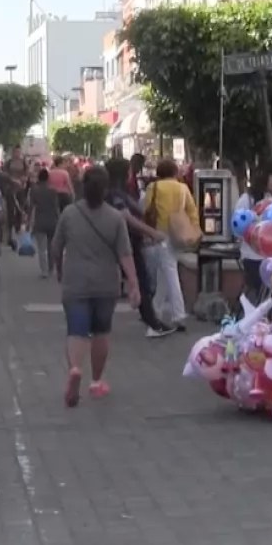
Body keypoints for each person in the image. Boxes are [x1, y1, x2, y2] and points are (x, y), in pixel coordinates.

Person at [51, 167, 140, 407]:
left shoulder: (69, 214)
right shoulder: (115, 218)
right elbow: (125, 255)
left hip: (75, 282)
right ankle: (96, 381)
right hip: (106, 284)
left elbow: (56, 248)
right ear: (105, 189)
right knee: (101, 332)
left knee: (76, 331)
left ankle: (75, 369)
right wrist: (133, 284)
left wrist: (59, 269)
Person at [105, 157, 175, 337]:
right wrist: (151, 232)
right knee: (140, 281)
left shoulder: (117, 192)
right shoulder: (116, 194)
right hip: (126, 242)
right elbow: (126, 217)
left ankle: (150, 319)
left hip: (128, 240)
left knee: (138, 280)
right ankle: (153, 322)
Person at [143, 159, 199, 329]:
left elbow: (147, 210)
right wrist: (194, 230)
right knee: (164, 272)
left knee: (169, 271)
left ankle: (178, 314)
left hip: (160, 233)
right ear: (175, 172)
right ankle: (155, 309)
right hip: (179, 233)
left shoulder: (154, 187)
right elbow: (192, 211)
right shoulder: (183, 188)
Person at [235, 159, 272, 300]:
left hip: (270, 258)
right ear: (264, 176)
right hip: (252, 257)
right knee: (257, 295)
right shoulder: (247, 199)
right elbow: (237, 228)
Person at [27, 168, 60, 278]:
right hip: (52, 221)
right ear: (48, 178)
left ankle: (44, 271)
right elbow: (56, 208)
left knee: (42, 248)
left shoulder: (34, 190)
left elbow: (31, 207)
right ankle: (51, 268)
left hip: (40, 221)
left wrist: (28, 223)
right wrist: (59, 219)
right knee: (51, 246)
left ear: (38, 178)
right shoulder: (53, 191)